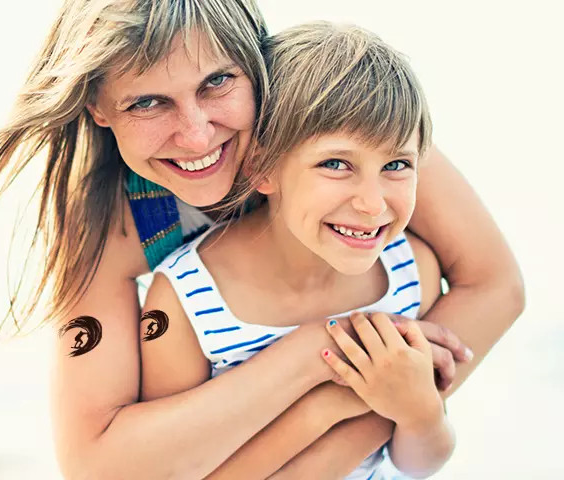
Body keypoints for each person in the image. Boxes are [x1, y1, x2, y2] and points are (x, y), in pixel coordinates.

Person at [0, 1, 523, 478]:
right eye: (147, 102)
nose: (197, 134)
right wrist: (322, 360)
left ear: (255, 61)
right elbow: (99, 464)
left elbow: (494, 284)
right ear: (98, 107)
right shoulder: (110, 224)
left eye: (218, 82)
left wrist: (395, 402)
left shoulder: (340, 122)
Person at [139, 21, 454, 479]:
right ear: (263, 167)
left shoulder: (410, 271)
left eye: (396, 165)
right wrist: (326, 407)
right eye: (336, 164)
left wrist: (420, 412)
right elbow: (177, 465)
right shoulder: (187, 301)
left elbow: (420, 462)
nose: (372, 203)